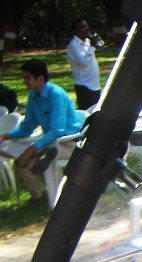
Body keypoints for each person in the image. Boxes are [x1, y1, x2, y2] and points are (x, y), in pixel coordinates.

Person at [0, 59, 85, 205]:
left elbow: (57, 130)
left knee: (27, 159)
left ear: (40, 78)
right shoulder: (33, 96)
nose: (24, 81)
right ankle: (40, 192)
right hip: (49, 141)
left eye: (27, 77)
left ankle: (45, 191)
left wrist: (31, 149)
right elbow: (28, 127)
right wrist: (6, 136)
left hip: (69, 142)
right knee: (16, 157)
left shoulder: (56, 94)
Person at [66, 19, 101, 110]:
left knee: (96, 111)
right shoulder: (73, 45)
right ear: (75, 30)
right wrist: (92, 47)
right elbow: (83, 62)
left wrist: (96, 42)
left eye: (87, 26)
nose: (87, 29)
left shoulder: (88, 41)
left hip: (94, 84)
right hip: (84, 85)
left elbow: (101, 45)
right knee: (87, 113)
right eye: (82, 27)